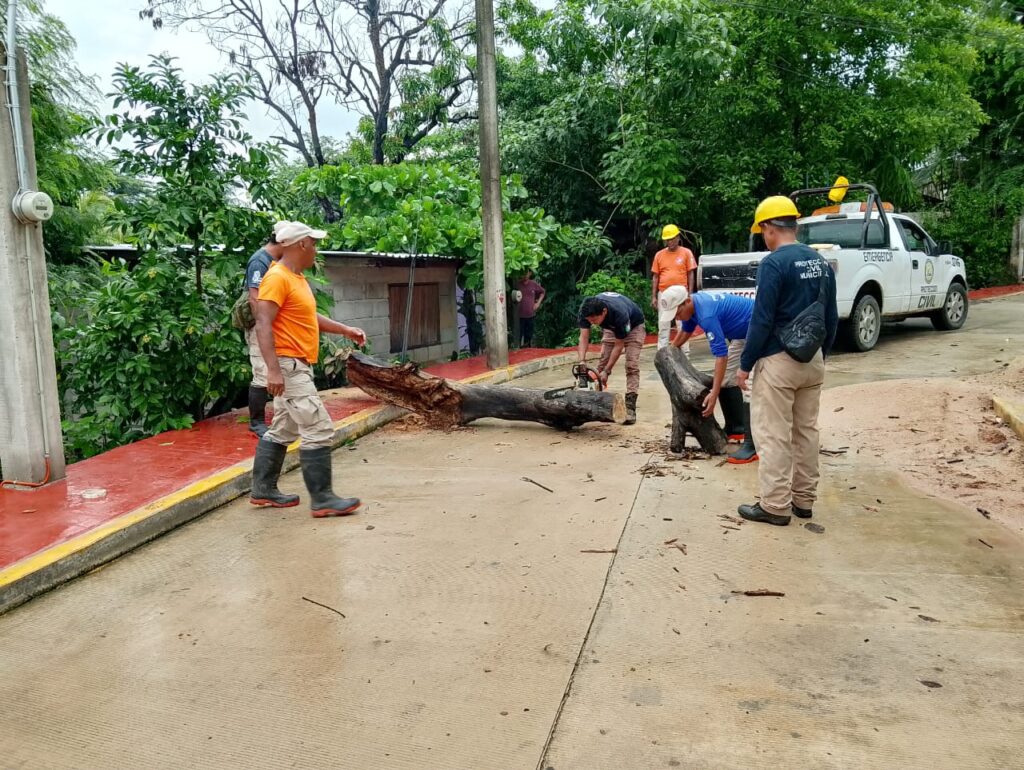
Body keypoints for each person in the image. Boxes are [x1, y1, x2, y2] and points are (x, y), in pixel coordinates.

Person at [250, 221, 368, 518]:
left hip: (296, 364)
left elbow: (309, 316)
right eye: (313, 243)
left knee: (283, 429)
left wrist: (345, 330)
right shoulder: (276, 277)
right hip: (288, 365)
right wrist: (273, 371)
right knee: (318, 428)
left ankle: (263, 490)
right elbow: (263, 323)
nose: (316, 249)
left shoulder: (295, 278)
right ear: (300, 244)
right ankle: (323, 499)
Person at [735, 196, 838, 526]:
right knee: (806, 431)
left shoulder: (773, 264)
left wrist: (745, 363)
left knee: (774, 433)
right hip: (813, 360)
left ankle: (775, 505)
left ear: (768, 228)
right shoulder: (820, 261)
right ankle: (803, 501)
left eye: (761, 230)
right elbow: (831, 315)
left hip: (778, 362)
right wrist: (824, 353)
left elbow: (761, 319)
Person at [660, 286, 758, 463]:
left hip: (758, 330)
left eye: (677, 313)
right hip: (741, 335)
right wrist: (670, 351)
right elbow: (686, 331)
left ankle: (753, 445)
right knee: (728, 380)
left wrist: (713, 394)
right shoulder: (693, 308)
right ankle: (736, 427)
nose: (676, 317)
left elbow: (721, 356)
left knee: (748, 385)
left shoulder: (707, 315)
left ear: (687, 301)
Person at [243, 224, 287, 436]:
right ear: (283, 241)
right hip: (262, 326)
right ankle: (257, 421)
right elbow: (254, 298)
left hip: (273, 326)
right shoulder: (260, 261)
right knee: (262, 372)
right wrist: (264, 326)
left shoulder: (276, 262)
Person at [577, 292, 646, 425]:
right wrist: (582, 361)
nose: (592, 323)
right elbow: (584, 337)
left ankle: (630, 407)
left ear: (604, 311)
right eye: (589, 320)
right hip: (610, 326)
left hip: (633, 326)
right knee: (602, 362)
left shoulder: (620, 314)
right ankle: (595, 400)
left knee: (631, 365)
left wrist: (607, 371)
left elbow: (619, 345)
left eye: (594, 320)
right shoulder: (586, 310)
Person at [651, 224, 697, 350]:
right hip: (664, 293)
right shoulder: (659, 255)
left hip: (681, 294)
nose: (669, 242)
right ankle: (662, 354)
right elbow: (655, 277)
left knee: (683, 325)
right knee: (663, 324)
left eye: (672, 238)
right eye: (667, 239)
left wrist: (690, 294)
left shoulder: (686, 253)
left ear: (678, 237)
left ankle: (684, 355)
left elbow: (690, 274)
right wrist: (654, 297)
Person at [516, 269, 546, 347]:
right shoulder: (517, 285)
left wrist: (538, 303)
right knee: (518, 337)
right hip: (519, 316)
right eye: (523, 273)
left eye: (527, 273)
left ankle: (527, 351)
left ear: (530, 273)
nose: (525, 275)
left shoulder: (533, 284)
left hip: (530, 315)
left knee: (528, 337)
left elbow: (543, 292)